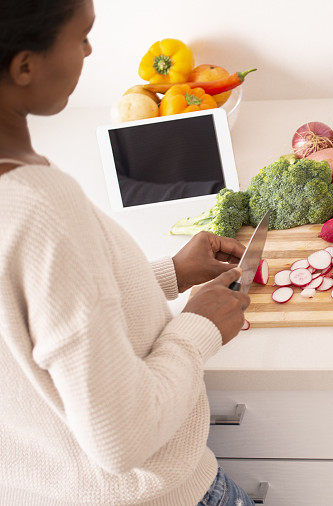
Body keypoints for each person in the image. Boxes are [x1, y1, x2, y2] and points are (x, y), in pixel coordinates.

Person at [0, 1, 255, 504]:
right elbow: (123, 437)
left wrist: (164, 275)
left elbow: (23, 319)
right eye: (82, 36)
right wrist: (197, 326)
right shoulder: (39, 204)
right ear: (25, 66)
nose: (89, 51)